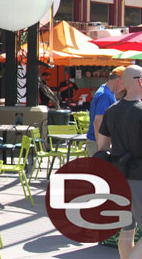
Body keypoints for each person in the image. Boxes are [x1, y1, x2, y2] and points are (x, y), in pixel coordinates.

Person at [97, 65, 142, 259]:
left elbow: (102, 146)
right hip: (139, 177)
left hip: (118, 175)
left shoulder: (111, 110)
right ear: (140, 81)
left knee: (127, 229)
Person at [86, 66, 125, 157]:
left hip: (98, 142)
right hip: (98, 144)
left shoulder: (107, 91)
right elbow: (98, 122)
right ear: (120, 80)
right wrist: (102, 148)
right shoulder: (105, 95)